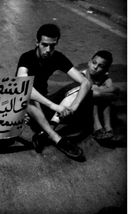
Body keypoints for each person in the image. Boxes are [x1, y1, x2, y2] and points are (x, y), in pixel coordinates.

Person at [16, 23, 91, 162]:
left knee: (78, 88)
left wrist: (72, 108)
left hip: (45, 102)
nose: (48, 50)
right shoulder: (26, 57)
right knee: (27, 95)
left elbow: (86, 82)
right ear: (37, 42)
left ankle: (46, 131)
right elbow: (22, 87)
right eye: (44, 44)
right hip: (29, 106)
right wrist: (55, 107)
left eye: (52, 46)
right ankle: (57, 138)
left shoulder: (57, 57)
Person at [82, 50, 120, 144]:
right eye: (94, 63)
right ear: (89, 62)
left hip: (96, 104)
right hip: (81, 108)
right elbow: (91, 94)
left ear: (105, 70)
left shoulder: (104, 77)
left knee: (99, 95)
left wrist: (98, 91)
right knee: (94, 96)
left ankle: (108, 128)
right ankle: (97, 128)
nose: (95, 67)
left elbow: (116, 90)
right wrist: (99, 92)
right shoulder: (81, 75)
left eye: (100, 66)